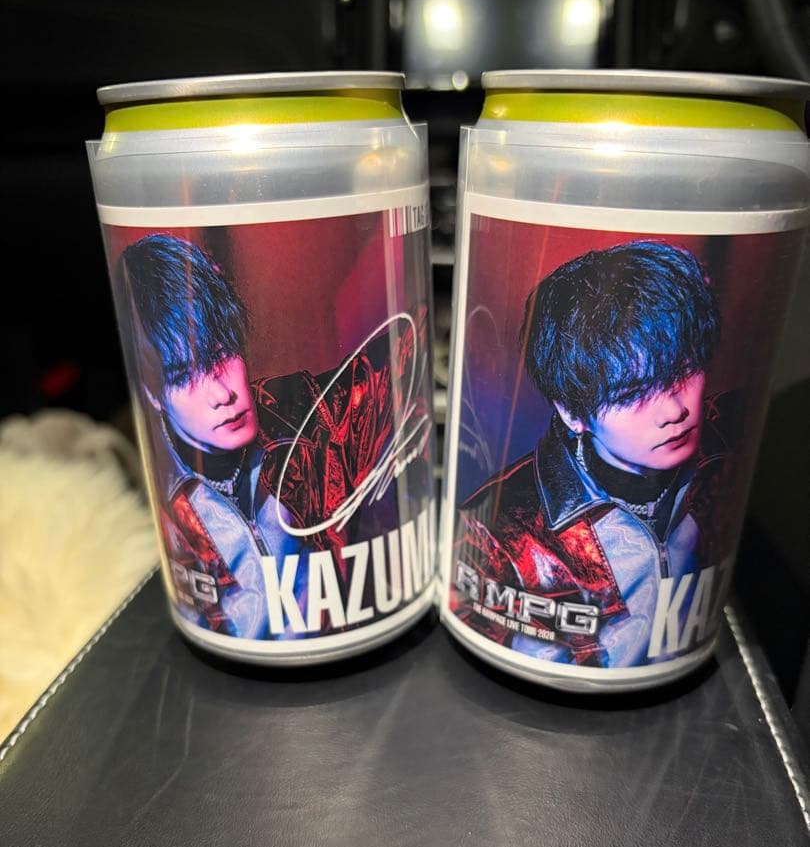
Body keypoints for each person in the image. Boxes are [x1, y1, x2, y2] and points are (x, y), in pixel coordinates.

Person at [117, 234, 427, 640]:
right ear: (153, 394)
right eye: (184, 376)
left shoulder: (303, 415)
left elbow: (408, 344)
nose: (221, 393)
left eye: (221, 355)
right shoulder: (170, 503)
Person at [451, 240, 735, 667]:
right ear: (572, 413)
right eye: (633, 394)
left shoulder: (725, 447)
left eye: (682, 373)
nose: (674, 410)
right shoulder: (498, 530)